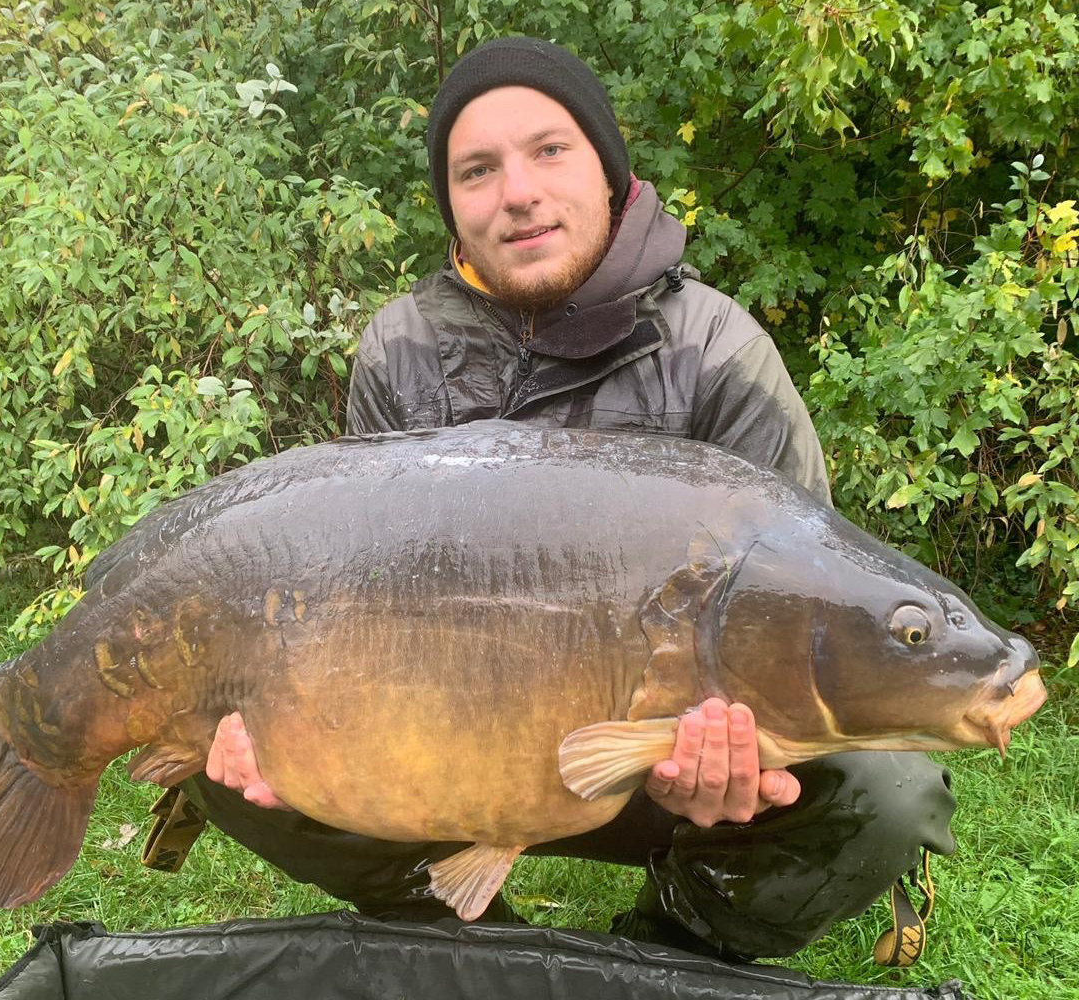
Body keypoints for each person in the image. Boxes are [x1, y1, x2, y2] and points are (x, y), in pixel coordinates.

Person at [173, 36, 956, 961]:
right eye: (478, 170)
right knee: (219, 750)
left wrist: (718, 752)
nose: (518, 192)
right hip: (456, 743)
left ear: (610, 171)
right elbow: (351, 594)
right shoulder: (401, 351)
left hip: (665, 766)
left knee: (891, 792)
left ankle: (668, 953)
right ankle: (469, 946)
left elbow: (811, 592)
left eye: (550, 150)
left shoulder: (719, 353)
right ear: (453, 208)